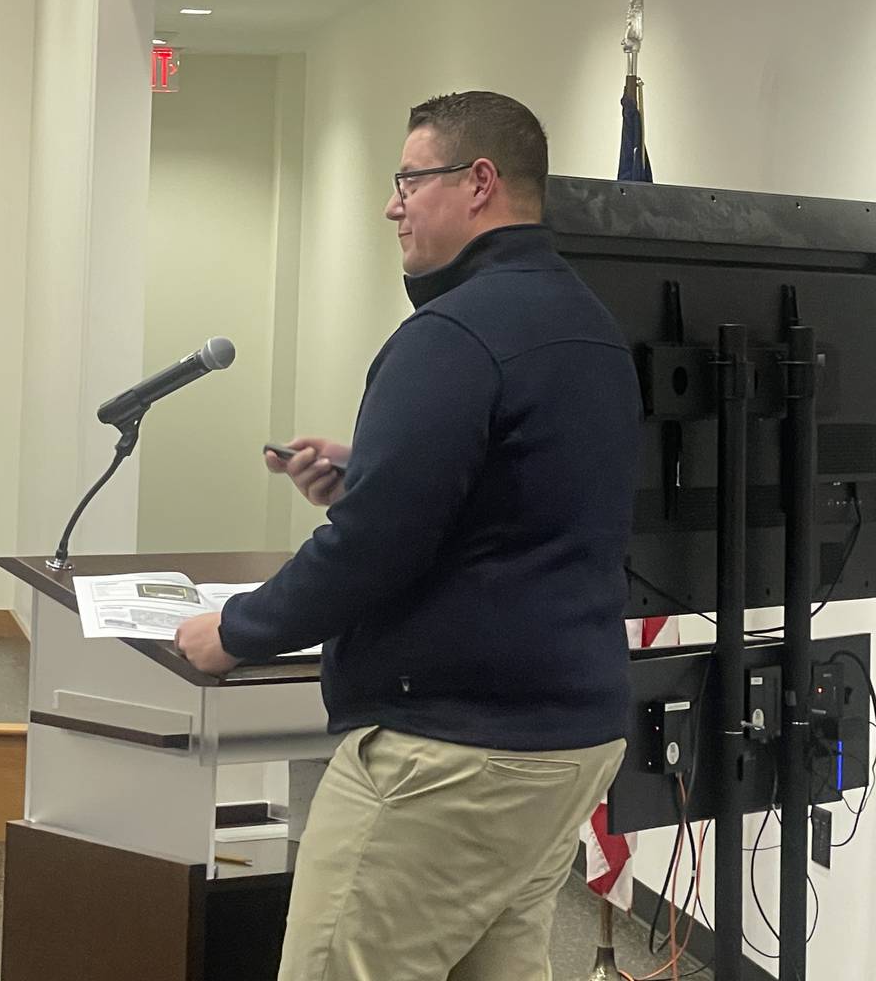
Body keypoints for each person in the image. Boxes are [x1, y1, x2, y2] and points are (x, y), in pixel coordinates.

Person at [175, 91, 643, 981]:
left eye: (408, 180)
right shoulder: (588, 325)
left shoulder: (451, 333)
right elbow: (530, 500)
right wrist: (377, 470)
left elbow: (370, 548)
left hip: (450, 755)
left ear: (478, 183)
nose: (393, 204)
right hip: (566, 742)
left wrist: (234, 631)